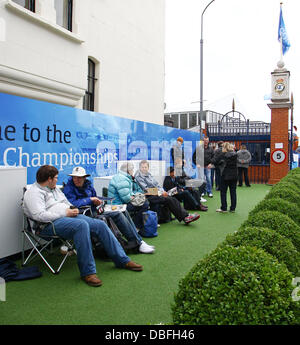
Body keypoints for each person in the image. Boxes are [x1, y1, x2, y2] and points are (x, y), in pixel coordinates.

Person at [23, 165, 143, 288]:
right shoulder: (33, 193)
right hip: (47, 225)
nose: (57, 180)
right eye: (56, 178)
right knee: (81, 225)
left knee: (100, 224)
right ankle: (88, 272)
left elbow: (67, 203)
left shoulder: (54, 189)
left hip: (67, 217)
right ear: (49, 179)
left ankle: (122, 260)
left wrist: (73, 209)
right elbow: (39, 215)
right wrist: (65, 212)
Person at [63, 166, 155, 254]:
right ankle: (137, 242)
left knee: (123, 210)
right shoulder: (68, 189)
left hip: (96, 210)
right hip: (85, 215)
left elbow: (94, 197)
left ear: (84, 178)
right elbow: (72, 204)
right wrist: (90, 200)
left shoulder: (88, 185)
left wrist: (101, 200)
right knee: (118, 214)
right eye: (75, 177)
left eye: (79, 177)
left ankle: (138, 241)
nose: (77, 180)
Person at [135, 160, 200, 225]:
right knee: (169, 199)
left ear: (148, 168)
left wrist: (162, 191)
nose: (144, 169)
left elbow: (157, 185)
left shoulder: (149, 175)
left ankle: (186, 216)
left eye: (145, 167)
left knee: (172, 198)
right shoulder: (139, 177)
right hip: (148, 196)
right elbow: (146, 189)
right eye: (142, 167)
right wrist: (160, 193)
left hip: (156, 194)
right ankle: (186, 217)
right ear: (139, 168)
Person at [108, 162, 150, 231]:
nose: (133, 171)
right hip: (118, 205)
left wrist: (134, 196)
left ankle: (135, 224)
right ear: (128, 170)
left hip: (118, 202)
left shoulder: (122, 177)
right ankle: (135, 225)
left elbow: (129, 193)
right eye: (132, 170)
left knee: (144, 202)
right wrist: (133, 197)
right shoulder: (122, 179)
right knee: (144, 204)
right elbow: (126, 199)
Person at [212, 142, 238, 213]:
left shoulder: (223, 155)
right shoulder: (235, 154)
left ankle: (224, 208)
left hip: (225, 175)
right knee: (233, 192)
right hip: (234, 175)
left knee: (223, 192)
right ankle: (233, 208)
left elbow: (215, 161)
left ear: (224, 147)